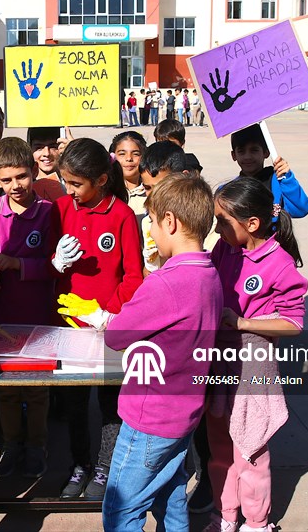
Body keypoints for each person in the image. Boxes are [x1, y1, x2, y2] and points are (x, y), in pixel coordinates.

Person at [103, 174, 223, 532]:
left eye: (152, 222)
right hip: (183, 412)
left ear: (170, 222)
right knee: (170, 494)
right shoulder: (209, 274)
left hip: (150, 418)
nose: (151, 232)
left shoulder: (166, 283)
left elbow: (116, 335)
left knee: (121, 509)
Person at [204, 177, 308, 532]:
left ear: (252, 224)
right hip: (218, 364)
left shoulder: (280, 263)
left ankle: (256, 521)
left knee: (250, 451)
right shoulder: (224, 249)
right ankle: (225, 515)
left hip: (252, 368)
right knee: (220, 450)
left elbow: (294, 323)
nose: (216, 229)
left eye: (222, 221)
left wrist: (244, 323)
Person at [52, 138, 144, 501]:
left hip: (109, 329)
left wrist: (109, 314)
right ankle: (80, 464)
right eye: (65, 182)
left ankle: (106, 466)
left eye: (76, 184)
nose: (69, 190)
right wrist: (56, 263)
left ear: (102, 179)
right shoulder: (60, 209)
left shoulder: (122, 215)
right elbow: (46, 267)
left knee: (110, 405)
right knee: (74, 404)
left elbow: (133, 277)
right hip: (69, 328)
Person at [0, 138, 59, 479]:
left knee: (37, 389)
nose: (16, 185)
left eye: (22, 176)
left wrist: (17, 264)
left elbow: (54, 263)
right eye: (7, 179)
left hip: (38, 313)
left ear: (34, 171)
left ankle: (37, 446)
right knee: (7, 389)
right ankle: (12, 445)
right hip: (4, 314)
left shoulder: (49, 212)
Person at [139, 141, 203, 273]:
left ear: (184, 176)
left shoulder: (200, 219)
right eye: (147, 188)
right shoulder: (148, 223)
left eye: (161, 187)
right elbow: (150, 269)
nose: (154, 195)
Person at [230, 125, 308, 219]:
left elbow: (301, 209)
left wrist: (287, 179)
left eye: (254, 150)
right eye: (241, 151)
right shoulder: (230, 189)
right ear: (234, 155)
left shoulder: (278, 181)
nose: (247, 156)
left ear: (266, 152)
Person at [110, 131, 148, 229]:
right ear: (113, 157)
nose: (129, 158)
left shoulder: (151, 192)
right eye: (122, 154)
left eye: (135, 154)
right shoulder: (107, 192)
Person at [28, 126, 66, 201]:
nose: (47, 153)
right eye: (39, 148)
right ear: (30, 149)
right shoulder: (23, 186)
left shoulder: (71, 183)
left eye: (53, 147)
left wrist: (74, 152)